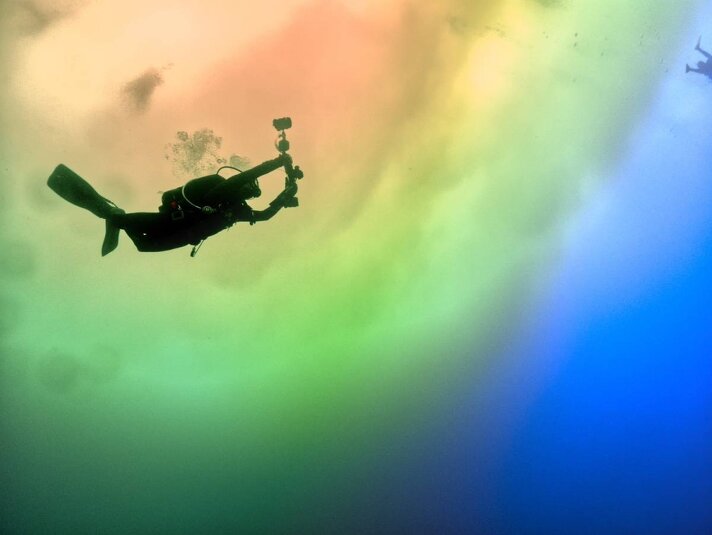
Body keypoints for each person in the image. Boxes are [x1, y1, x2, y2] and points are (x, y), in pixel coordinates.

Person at [47, 152, 302, 256]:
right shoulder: (223, 190)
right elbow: (247, 176)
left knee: (143, 246)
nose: (247, 193)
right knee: (120, 222)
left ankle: (117, 216)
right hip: (172, 220)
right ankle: (114, 215)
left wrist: (285, 195)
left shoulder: (237, 211)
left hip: (186, 236)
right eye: (248, 188)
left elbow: (265, 215)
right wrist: (278, 162)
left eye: (251, 193)